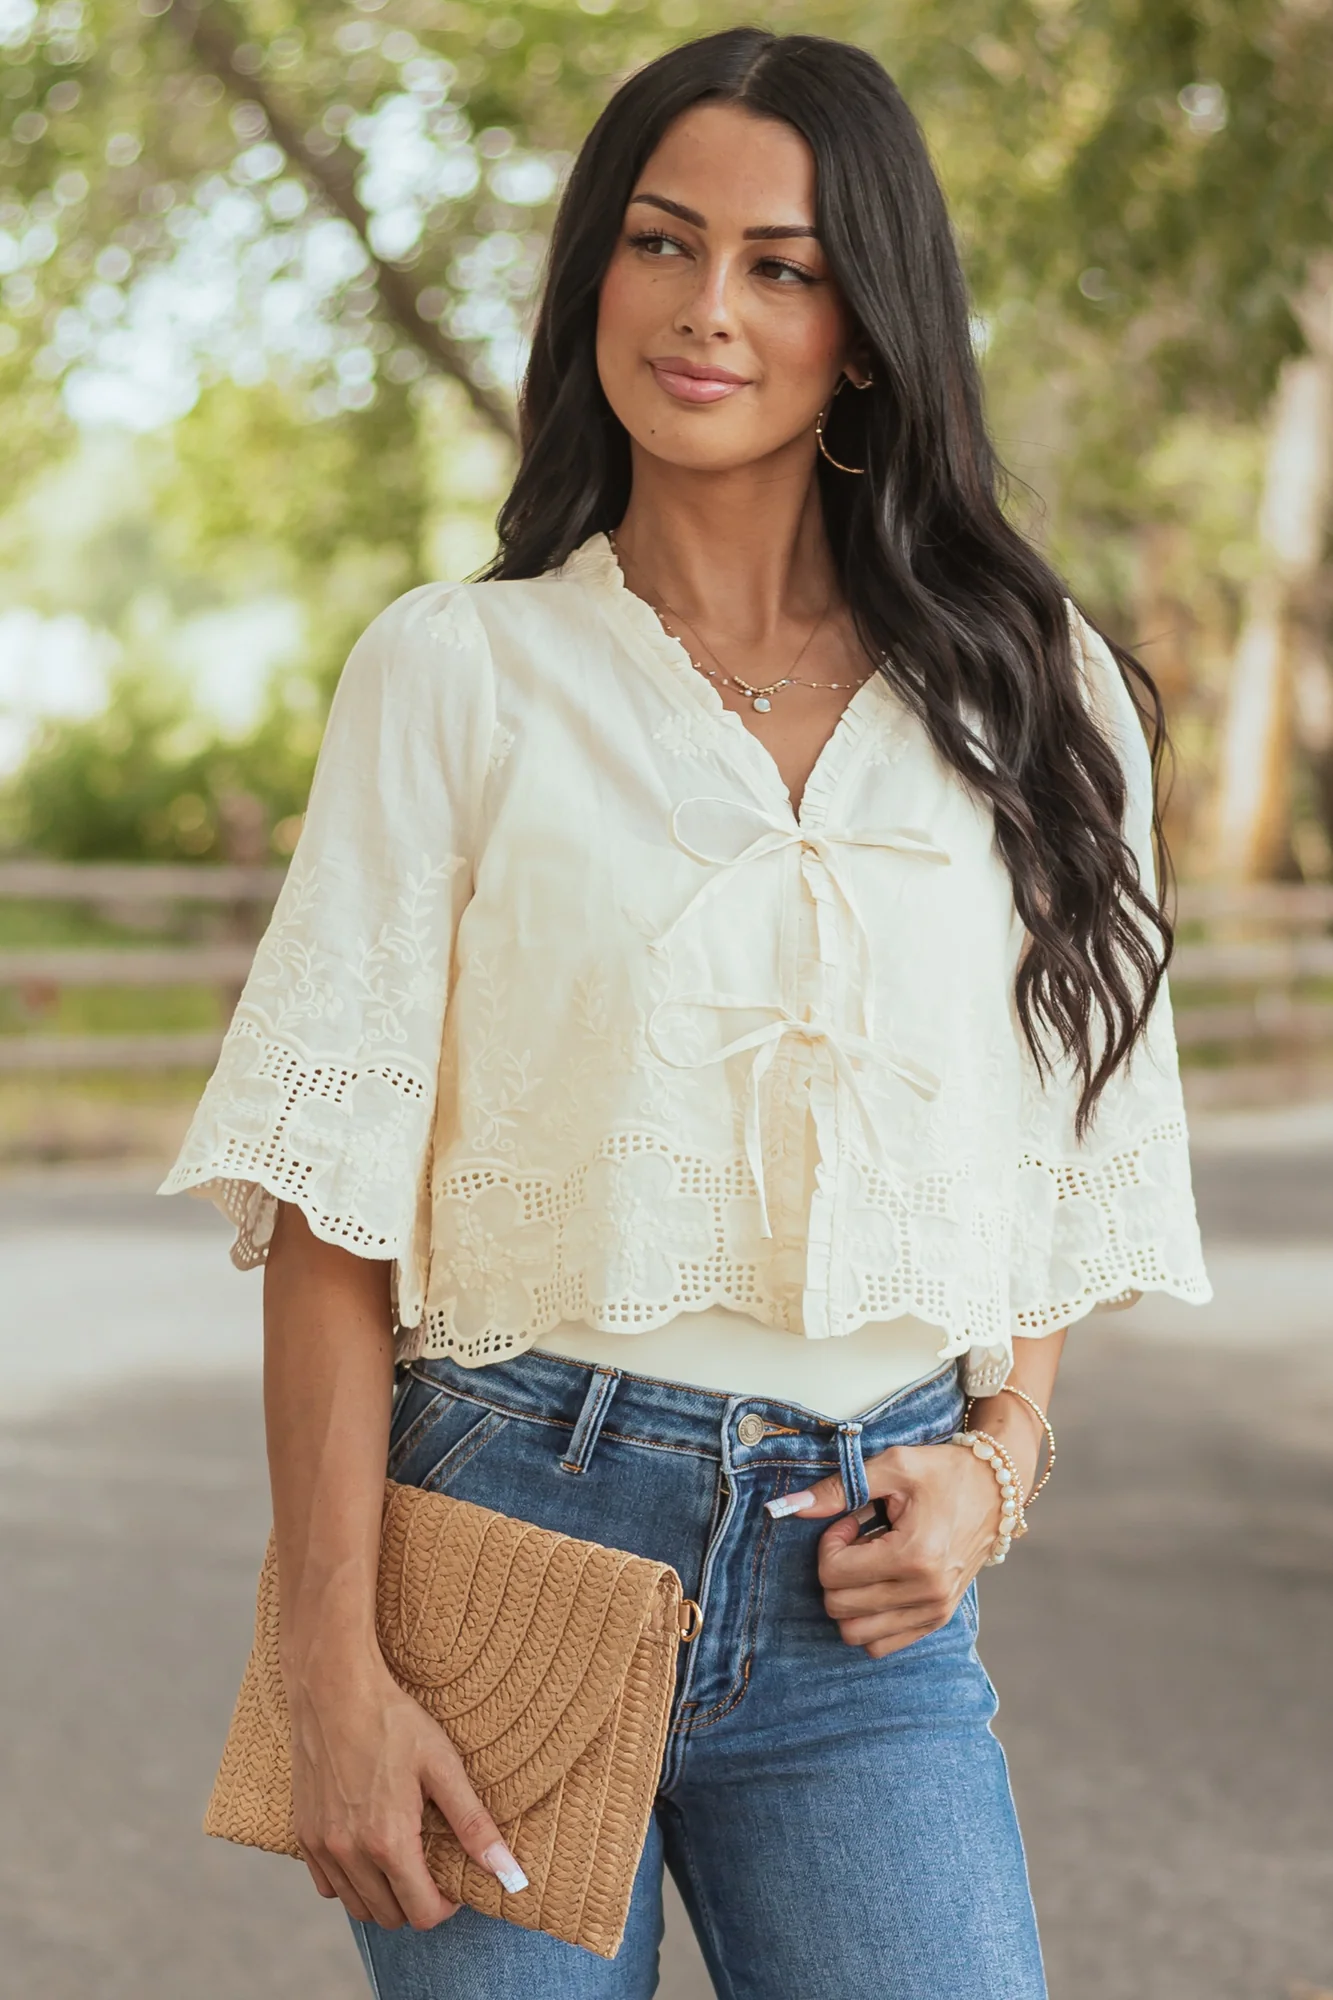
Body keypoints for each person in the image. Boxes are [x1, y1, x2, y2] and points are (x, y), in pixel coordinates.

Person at [162, 26, 1211, 1999]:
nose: (704, 308)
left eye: (780, 263)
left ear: (871, 325)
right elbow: (330, 1212)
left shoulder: (1032, 692)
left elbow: (1046, 1139)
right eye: (659, 243)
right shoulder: (456, 673)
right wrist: (335, 1673)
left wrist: (999, 1462)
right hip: (504, 1533)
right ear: (594, 278)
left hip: (863, 1609)